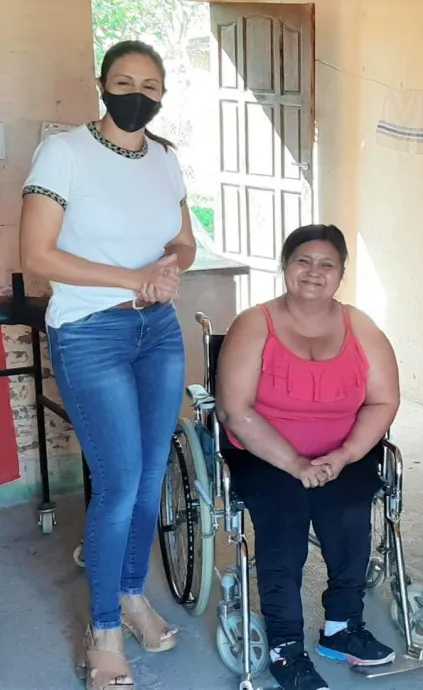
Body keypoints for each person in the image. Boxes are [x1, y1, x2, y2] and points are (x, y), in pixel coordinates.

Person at [19, 41, 195, 690]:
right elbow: (37, 255)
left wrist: (167, 269)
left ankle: (131, 593)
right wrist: (131, 279)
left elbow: (184, 240)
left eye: (150, 86)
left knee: (149, 478)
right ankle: (104, 632)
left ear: (162, 95)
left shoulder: (165, 160)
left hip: (159, 331)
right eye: (124, 82)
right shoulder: (64, 152)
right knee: (119, 483)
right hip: (90, 333)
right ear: (102, 85)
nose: (136, 95)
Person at [217, 224, 400, 690]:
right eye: (303, 260)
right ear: (285, 266)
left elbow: (384, 400)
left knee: (349, 514)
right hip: (264, 453)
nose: (314, 271)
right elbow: (235, 410)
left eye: (326, 264)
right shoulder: (254, 324)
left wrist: (344, 455)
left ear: (341, 273)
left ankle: (342, 628)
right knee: (284, 524)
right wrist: (296, 464)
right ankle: (285, 648)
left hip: (341, 452)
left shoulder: (360, 326)